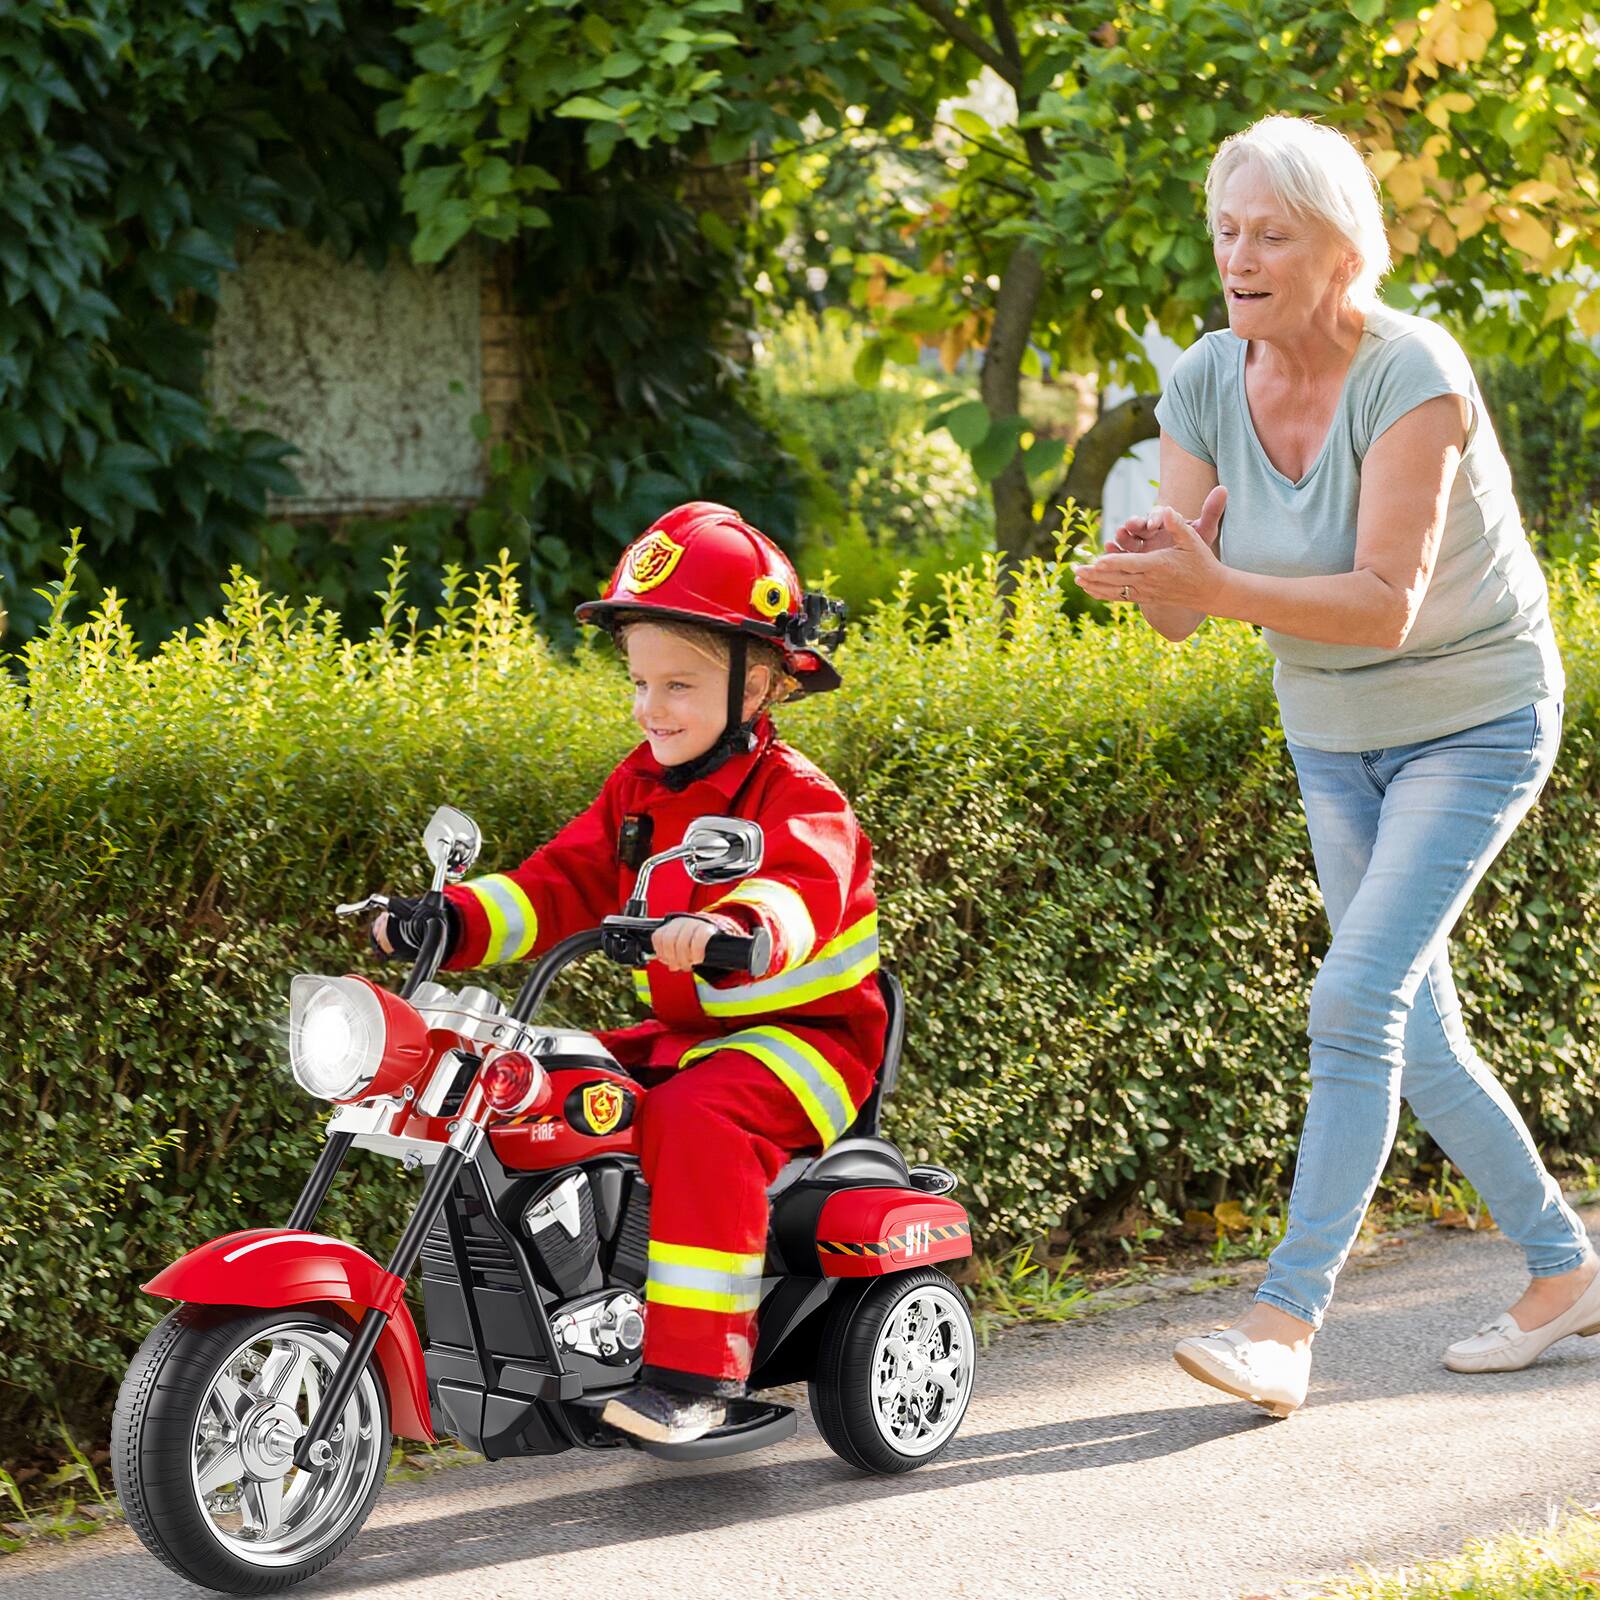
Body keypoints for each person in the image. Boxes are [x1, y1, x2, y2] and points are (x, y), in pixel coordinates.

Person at [1073, 114, 1598, 1417]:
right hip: (1331, 731)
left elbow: (1384, 604)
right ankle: (1564, 1271)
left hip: (1473, 716)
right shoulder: (1205, 379)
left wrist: (1211, 582)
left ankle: (1282, 1324)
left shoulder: (1413, 371)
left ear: (1342, 250)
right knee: (1416, 1035)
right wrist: (1158, 572)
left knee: (1354, 1000)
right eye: (1226, 231)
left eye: (1271, 233)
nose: (1238, 257)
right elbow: (1189, 612)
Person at [374, 502, 885, 1444]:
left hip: (807, 1046)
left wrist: (733, 925)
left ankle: (694, 1374)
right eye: (640, 682)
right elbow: (559, 882)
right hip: (685, 1037)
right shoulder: (638, 788)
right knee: (534, 1081)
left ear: (757, 684)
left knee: (697, 1123)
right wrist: (450, 921)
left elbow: (799, 892)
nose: (651, 707)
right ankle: (559, 1333)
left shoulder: (801, 797)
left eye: (678, 685)